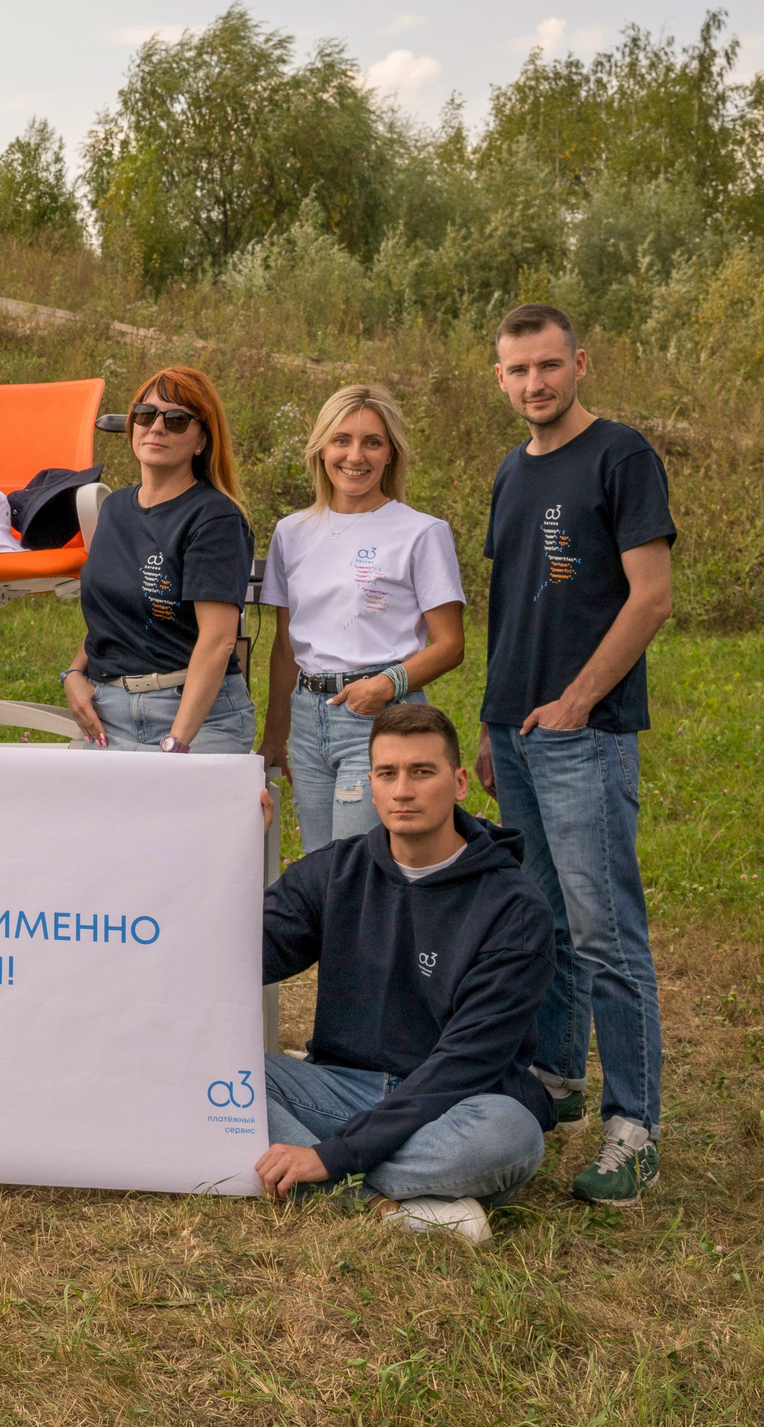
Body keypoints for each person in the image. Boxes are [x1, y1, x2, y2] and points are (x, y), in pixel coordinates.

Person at [474, 302, 676, 1207]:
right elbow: (510, 604)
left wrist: (578, 701)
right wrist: (493, 719)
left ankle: (634, 1127)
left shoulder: (622, 456)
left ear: (581, 362)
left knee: (605, 933)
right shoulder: (510, 473)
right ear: (500, 378)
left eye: (549, 366)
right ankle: (556, 1076)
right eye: (518, 371)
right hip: (516, 734)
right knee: (544, 920)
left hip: (583, 735)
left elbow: (650, 597)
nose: (534, 384)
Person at [253, 703, 557, 1247]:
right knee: (231, 1080)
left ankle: (316, 1177)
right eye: (387, 774)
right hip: (343, 1086)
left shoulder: (515, 908)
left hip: (458, 1101)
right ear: (370, 786)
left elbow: (467, 1063)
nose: (403, 791)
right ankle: (386, 1207)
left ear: (460, 782)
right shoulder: (334, 873)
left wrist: (332, 1154)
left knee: (511, 1136)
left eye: (422, 772)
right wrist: (235, 848)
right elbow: (238, 954)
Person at [260, 384, 467, 851]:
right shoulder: (291, 533)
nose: (355, 456)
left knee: (362, 865)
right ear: (321, 448)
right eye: (342, 440)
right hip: (309, 718)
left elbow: (450, 644)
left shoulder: (421, 532)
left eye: (372, 442)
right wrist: (276, 737)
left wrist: (386, 685)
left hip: (380, 715)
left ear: (390, 452)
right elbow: (286, 647)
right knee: (321, 865)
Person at [61, 366, 257, 753]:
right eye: (146, 415)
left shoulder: (214, 518)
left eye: (177, 419)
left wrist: (177, 742)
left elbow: (218, 642)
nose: (157, 428)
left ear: (202, 439)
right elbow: (116, 614)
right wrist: (74, 672)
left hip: (196, 717)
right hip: (110, 713)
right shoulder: (115, 508)